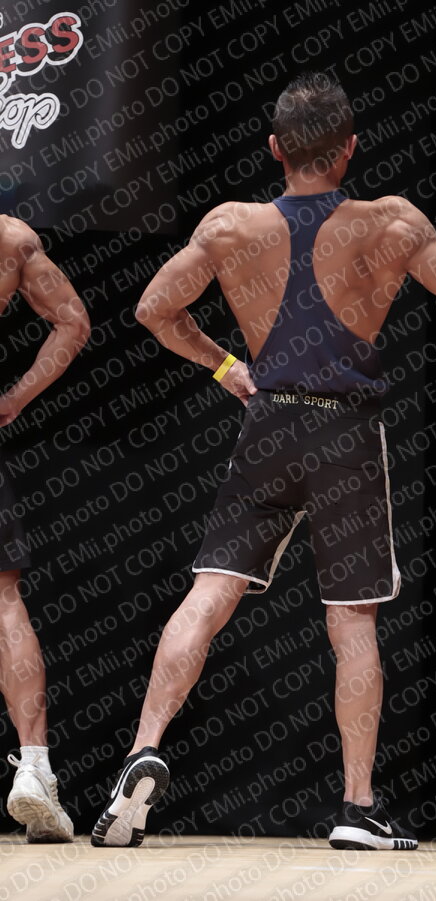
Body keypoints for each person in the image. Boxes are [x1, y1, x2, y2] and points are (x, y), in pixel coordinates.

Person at [92, 72, 436, 850]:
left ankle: (141, 749)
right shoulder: (393, 222)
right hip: (346, 431)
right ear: (350, 148)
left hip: (269, 424)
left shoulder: (228, 226)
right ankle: (357, 807)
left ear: (275, 148)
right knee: (351, 620)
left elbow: (153, 308)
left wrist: (225, 365)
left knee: (210, 592)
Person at [0, 216, 90, 841]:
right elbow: (73, 322)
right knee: (2, 600)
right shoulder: (9, 238)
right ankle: (34, 769)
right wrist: (14, 398)